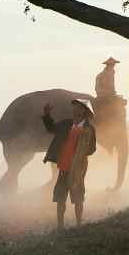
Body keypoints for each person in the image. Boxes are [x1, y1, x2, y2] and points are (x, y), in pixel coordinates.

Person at [41, 97, 98, 228]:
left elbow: (92, 148)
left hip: (78, 169)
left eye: (78, 107)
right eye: (75, 107)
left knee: (78, 198)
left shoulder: (89, 129)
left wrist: (82, 150)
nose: (75, 109)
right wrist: (47, 115)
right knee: (60, 198)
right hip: (64, 167)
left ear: (84, 111)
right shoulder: (67, 124)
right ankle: (60, 225)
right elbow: (51, 128)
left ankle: (78, 224)